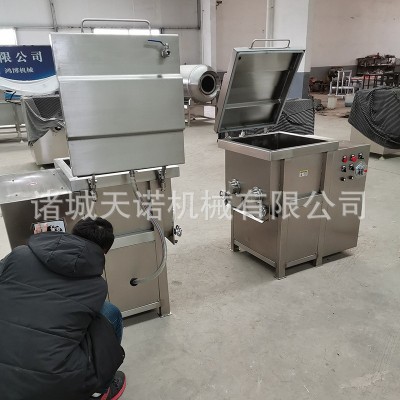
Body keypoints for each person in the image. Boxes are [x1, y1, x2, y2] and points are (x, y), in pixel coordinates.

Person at [0, 217, 126, 400]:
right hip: (49, 382)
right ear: (104, 251)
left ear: (72, 233)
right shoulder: (97, 285)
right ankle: (102, 389)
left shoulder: (19, 254)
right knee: (110, 313)